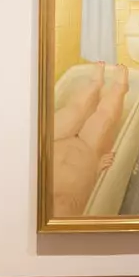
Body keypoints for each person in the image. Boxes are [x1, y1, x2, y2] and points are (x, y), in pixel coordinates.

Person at [51, 61, 129, 217]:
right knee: (102, 119)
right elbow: (92, 204)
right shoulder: (66, 217)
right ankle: (119, 89)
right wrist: (97, 172)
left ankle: (95, 84)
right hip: (87, 155)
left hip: (53, 142)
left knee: (74, 112)